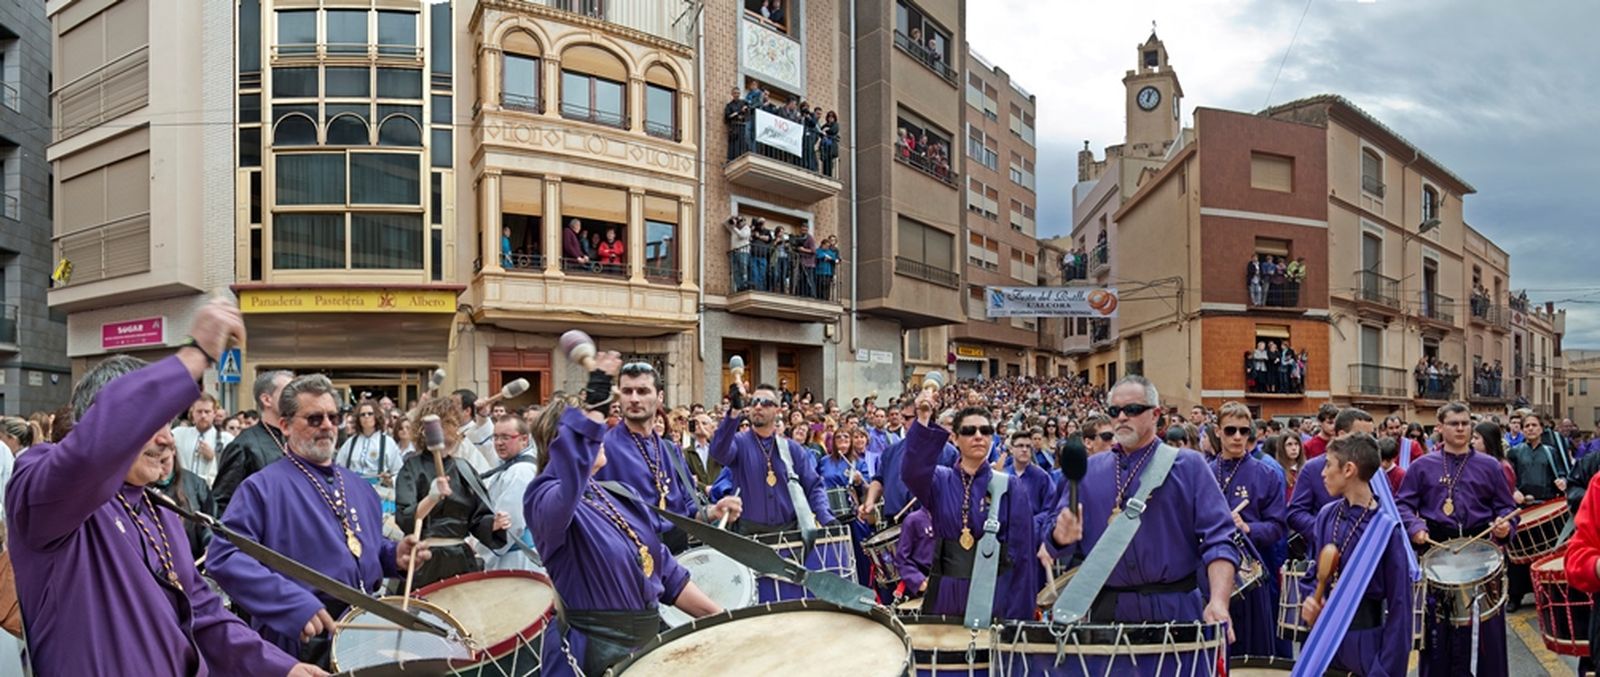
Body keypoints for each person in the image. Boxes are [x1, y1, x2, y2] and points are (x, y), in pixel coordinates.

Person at [3, 300, 322, 675]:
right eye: (153, 422)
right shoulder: (42, 485)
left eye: (170, 424)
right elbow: (89, 455)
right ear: (107, 420)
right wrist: (194, 354)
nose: (168, 440)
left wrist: (282, 668)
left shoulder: (159, 510)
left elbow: (203, 614)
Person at [208, 375, 431, 666]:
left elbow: (364, 547)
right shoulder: (260, 488)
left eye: (333, 417)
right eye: (314, 418)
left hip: (364, 633)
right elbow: (223, 556)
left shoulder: (359, 487)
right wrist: (290, 604)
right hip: (300, 640)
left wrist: (394, 556)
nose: (327, 425)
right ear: (285, 425)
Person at [527, 362, 720, 675]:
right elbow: (566, 494)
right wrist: (600, 391)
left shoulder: (618, 494)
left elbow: (665, 570)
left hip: (643, 649)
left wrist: (721, 619)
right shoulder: (544, 499)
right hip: (588, 653)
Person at [1044, 376, 1239, 660]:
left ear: (1156, 414)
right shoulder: (1089, 470)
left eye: (1133, 409)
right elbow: (1057, 544)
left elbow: (1219, 539)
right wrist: (1058, 537)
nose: (1122, 417)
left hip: (1176, 608)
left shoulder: (1189, 465)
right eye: (1114, 411)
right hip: (1108, 612)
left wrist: (1219, 602)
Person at [1396, 402, 1516, 677]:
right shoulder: (1421, 466)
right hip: (1437, 552)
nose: (1461, 428)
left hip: (1481, 551)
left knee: (1486, 637)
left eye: (1465, 423)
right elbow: (1402, 505)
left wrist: (1504, 525)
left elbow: (1506, 507)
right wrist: (1414, 526)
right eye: (1454, 423)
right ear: (1440, 428)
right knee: (1440, 636)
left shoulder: (1490, 466)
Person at [902, 392, 1040, 621]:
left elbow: (1022, 555)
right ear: (954, 438)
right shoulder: (940, 480)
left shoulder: (1011, 486)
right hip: (946, 590)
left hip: (993, 593)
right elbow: (912, 471)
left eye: (985, 431)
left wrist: (1018, 615)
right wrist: (924, 418)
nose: (978, 436)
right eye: (969, 431)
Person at [709, 381, 836, 601]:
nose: (758, 406)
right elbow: (719, 452)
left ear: (777, 410)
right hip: (750, 540)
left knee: (789, 603)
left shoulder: (792, 449)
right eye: (754, 402)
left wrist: (826, 518)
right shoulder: (739, 442)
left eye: (766, 403)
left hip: (789, 540)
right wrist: (734, 412)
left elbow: (814, 485)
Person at [1298, 434, 1412, 676]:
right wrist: (1310, 598)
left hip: (1367, 645)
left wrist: (1386, 668)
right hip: (1325, 639)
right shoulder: (1327, 516)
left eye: (1328, 464)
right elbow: (1312, 575)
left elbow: (1401, 606)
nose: (1323, 473)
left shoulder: (1386, 530)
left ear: (1348, 469)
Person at [601, 362, 740, 553]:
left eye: (642, 391)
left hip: (677, 554)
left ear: (659, 397)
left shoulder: (670, 450)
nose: (634, 398)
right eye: (627, 391)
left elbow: (690, 508)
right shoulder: (603, 448)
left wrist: (714, 511)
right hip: (629, 558)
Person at [395, 397, 510, 588]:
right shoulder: (412, 468)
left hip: (460, 561)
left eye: (454, 423)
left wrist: (493, 524)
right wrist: (431, 498)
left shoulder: (463, 468)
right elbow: (405, 518)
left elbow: (477, 518)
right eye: (446, 422)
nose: (453, 429)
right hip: (425, 561)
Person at [1209, 402, 1287, 657]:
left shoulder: (1266, 474)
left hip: (1251, 580)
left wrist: (1247, 527)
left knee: (1252, 656)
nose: (1238, 437)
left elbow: (1278, 527)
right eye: (1230, 430)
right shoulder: (1204, 473)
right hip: (1210, 577)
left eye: (1244, 431)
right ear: (1217, 431)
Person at [1288, 407, 1375, 542]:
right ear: (1342, 435)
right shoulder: (1313, 469)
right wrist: (1325, 531)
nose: (1370, 443)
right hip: (1327, 554)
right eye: (1362, 436)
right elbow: (1295, 513)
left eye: (1372, 436)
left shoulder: (1376, 471)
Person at [215, 369, 294, 515]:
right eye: (288, 392)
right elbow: (222, 504)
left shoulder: (296, 438)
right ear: (266, 399)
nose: (295, 398)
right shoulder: (243, 446)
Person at [481, 414, 540, 571]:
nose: (499, 443)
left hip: (516, 557)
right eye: (496, 437)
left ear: (524, 439)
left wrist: (483, 557)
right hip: (508, 555)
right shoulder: (508, 466)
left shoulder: (521, 471)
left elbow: (511, 522)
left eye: (506, 437)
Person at [152, 442, 216, 561]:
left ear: (173, 451)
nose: (161, 470)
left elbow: (210, 520)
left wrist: (210, 543)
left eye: (164, 461)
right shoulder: (143, 489)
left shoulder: (196, 484)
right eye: (154, 463)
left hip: (195, 558)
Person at [335, 399, 401, 486]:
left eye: (370, 413)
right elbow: (338, 469)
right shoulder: (350, 443)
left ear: (376, 416)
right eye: (362, 414)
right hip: (354, 490)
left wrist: (390, 480)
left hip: (379, 492)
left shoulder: (388, 443)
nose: (366, 416)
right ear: (358, 419)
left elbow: (400, 472)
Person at [1509, 414, 1569, 504]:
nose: (1530, 428)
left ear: (1541, 429)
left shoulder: (1551, 452)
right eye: (1527, 426)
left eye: (1534, 425)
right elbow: (1508, 479)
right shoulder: (1514, 452)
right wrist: (1514, 491)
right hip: (1523, 505)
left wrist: (1563, 481)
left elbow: (1562, 474)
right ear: (1522, 431)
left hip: (1547, 504)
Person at [172, 394, 231, 485]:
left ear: (214, 413)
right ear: (192, 413)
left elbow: (230, 470)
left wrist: (213, 458)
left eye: (207, 412)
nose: (203, 416)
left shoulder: (226, 439)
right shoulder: (178, 434)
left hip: (210, 491)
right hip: (182, 489)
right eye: (199, 411)